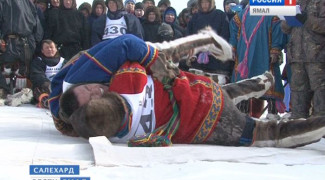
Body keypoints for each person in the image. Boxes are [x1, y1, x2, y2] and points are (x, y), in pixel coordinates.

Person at [52, 33, 325, 149]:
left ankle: (263, 89)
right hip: (203, 100)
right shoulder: (127, 78)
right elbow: (128, 46)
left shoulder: (130, 139)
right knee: (258, 127)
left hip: (200, 120)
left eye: (89, 89)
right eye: (92, 95)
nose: (96, 90)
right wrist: (152, 61)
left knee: (261, 131)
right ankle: (261, 87)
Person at [229, 4, 287, 119]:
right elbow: (234, 30)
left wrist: (275, 50)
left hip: (264, 53)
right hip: (245, 55)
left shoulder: (272, 13)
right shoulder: (242, 14)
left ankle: (272, 112)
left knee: (269, 79)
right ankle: (242, 112)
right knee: (243, 84)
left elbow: (278, 30)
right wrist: (233, 48)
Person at [281, 0, 325, 119]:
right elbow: (284, 28)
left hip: (318, 57)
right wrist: (289, 20)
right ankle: (299, 127)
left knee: (321, 92)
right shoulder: (295, 3)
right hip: (297, 57)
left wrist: (307, 20)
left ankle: (320, 127)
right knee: (298, 92)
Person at [0, 0, 44, 97]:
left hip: (21, 44)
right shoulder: (29, 4)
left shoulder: (29, 4)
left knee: (26, 71)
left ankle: (8, 91)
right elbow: (38, 31)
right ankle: (6, 90)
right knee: (21, 69)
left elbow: (37, 28)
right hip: (20, 44)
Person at [187, 0, 233, 85]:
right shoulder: (195, 18)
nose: (204, 5)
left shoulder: (220, 15)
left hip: (216, 63)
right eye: (202, 3)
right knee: (196, 89)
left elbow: (225, 36)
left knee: (215, 91)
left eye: (207, 2)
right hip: (197, 63)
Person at [30, 39, 64, 108]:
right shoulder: (38, 61)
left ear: (56, 49)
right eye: (47, 48)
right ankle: (47, 103)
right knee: (38, 89)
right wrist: (48, 85)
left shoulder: (63, 61)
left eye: (51, 47)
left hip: (60, 87)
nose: (50, 49)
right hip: (44, 88)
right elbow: (37, 76)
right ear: (42, 51)